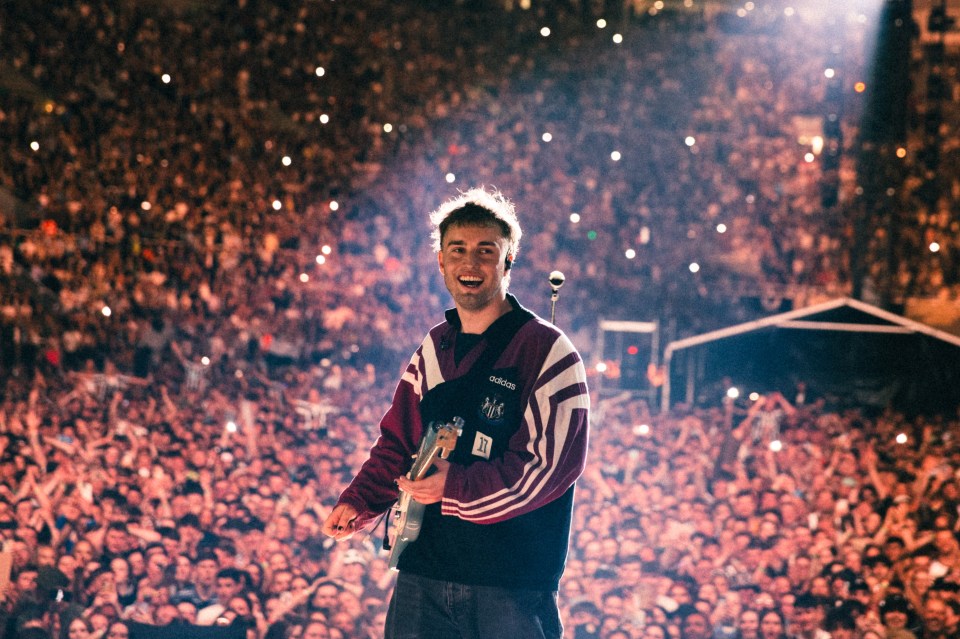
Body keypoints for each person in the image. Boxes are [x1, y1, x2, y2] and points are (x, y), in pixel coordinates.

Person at [322, 187, 591, 638]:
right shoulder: (433, 346)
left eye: (487, 251)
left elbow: (550, 469)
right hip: (422, 574)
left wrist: (457, 487)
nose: (471, 263)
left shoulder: (548, 352)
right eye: (458, 250)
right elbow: (398, 442)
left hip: (511, 586)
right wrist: (361, 500)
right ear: (441, 262)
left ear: (509, 260)